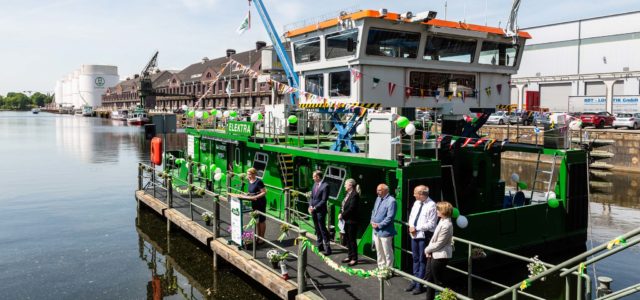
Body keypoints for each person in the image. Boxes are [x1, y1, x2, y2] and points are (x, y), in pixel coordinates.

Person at [405, 185, 437, 295]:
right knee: (415, 258)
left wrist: (416, 228)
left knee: (422, 259)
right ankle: (414, 281)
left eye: (415, 193)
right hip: (414, 235)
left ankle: (419, 284)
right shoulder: (416, 203)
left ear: (422, 194)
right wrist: (411, 226)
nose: (413, 195)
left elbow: (432, 224)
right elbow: (412, 216)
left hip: (423, 236)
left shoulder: (432, 205)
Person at [424, 201, 454, 300]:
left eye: (438, 210)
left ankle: (445, 297)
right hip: (434, 253)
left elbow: (440, 243)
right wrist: (429, 251)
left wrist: (427, 249)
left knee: (438, 281)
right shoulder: (442, 220)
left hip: (440, 256)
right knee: (430, 279)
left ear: (443, 211)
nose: (436, 211)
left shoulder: (447, 225)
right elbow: (434, 239)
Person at [370, 183, 397, 268]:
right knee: (379, 251)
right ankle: (381, 267)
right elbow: (374, 211)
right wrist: (372, 221)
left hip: (385, 231)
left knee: (387, 252)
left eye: (379, 190)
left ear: (386, 190)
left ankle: (389, 269)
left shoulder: (391, 201)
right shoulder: (378, 198)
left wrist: (379, 225)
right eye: (377, 190)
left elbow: (390, 217)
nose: (377, 192)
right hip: (376, 230)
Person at [309, 170, 331, 255]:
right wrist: (310, 206)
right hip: (313, 210)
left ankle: (328, 249)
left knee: (322, 229)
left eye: (314, 176)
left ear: (318, 177)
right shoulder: (314, 184)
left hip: (320, 211)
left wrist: (315, 207)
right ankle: (320, 246)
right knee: (317, 228)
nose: (313, 178)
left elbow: (323, 200)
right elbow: (312, 197)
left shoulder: (326, 186)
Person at [339, 178, 360, 266]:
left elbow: (351, 208)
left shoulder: (355, 195)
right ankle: (349, 256)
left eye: (345, 184)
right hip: (346, 221)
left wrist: (342, 215)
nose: (344, 186)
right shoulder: (347, 194)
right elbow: (343, 205)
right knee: (347, 239)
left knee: (352, 240)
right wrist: (340, 212)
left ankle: (354, 258)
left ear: (350, 185)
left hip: (352, 221)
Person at [243, 168, 267, 243]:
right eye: (247, 174)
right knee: (256, 220)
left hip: (261, 202)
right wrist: (248, 194)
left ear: (254, 174)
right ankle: (258, 237)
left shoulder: (259, 182)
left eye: (249, 174)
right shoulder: (249, 181)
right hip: (254, 202)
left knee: (261, 220)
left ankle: (262, 238)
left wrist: (255, 197)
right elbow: (252, 191)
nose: (248, 175)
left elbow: (264, 192)